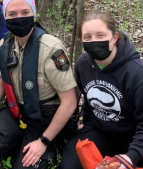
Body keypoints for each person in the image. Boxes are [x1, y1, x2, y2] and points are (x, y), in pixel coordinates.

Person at [0, 0, 78, 168]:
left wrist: (43, 141)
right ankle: (22, 145)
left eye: (25, 12)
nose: (19, 18)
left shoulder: (50, 48)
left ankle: (51, 147)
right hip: (18, 113)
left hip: (45, 119)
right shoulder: (4, 46)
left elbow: (69, 102)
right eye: (12, 14)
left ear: (34, 13)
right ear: (5, 16)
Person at [60, 11, 143, 169]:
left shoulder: (136, 73)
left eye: (100, 35)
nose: (94, 42)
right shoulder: (82, 64)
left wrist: (130, 157)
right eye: (87, 37)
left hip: (133, 136)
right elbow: (88, 97)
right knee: (69, 165)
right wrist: (86, 120)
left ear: (114, 37)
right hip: (100, 130)